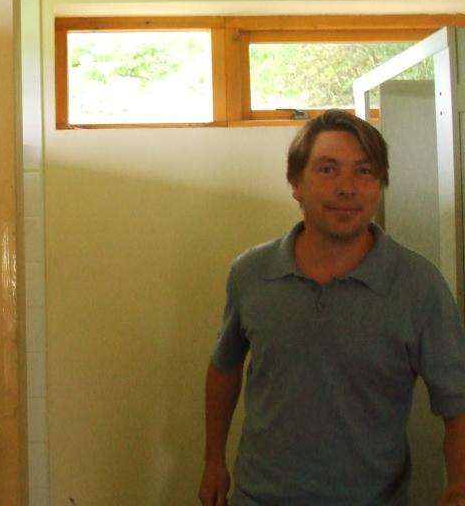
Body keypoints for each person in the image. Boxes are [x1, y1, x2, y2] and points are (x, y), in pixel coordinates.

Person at [199, 109, 465, 506]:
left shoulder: (419, 285)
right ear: (296, 183)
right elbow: (224, 366)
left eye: (364, 172)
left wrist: (458, 487)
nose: (347, 188)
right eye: (328, 170)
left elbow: (458, 402)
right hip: (259, 496)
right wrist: (213, 460)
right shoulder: (250, 273)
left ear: (379, 186)